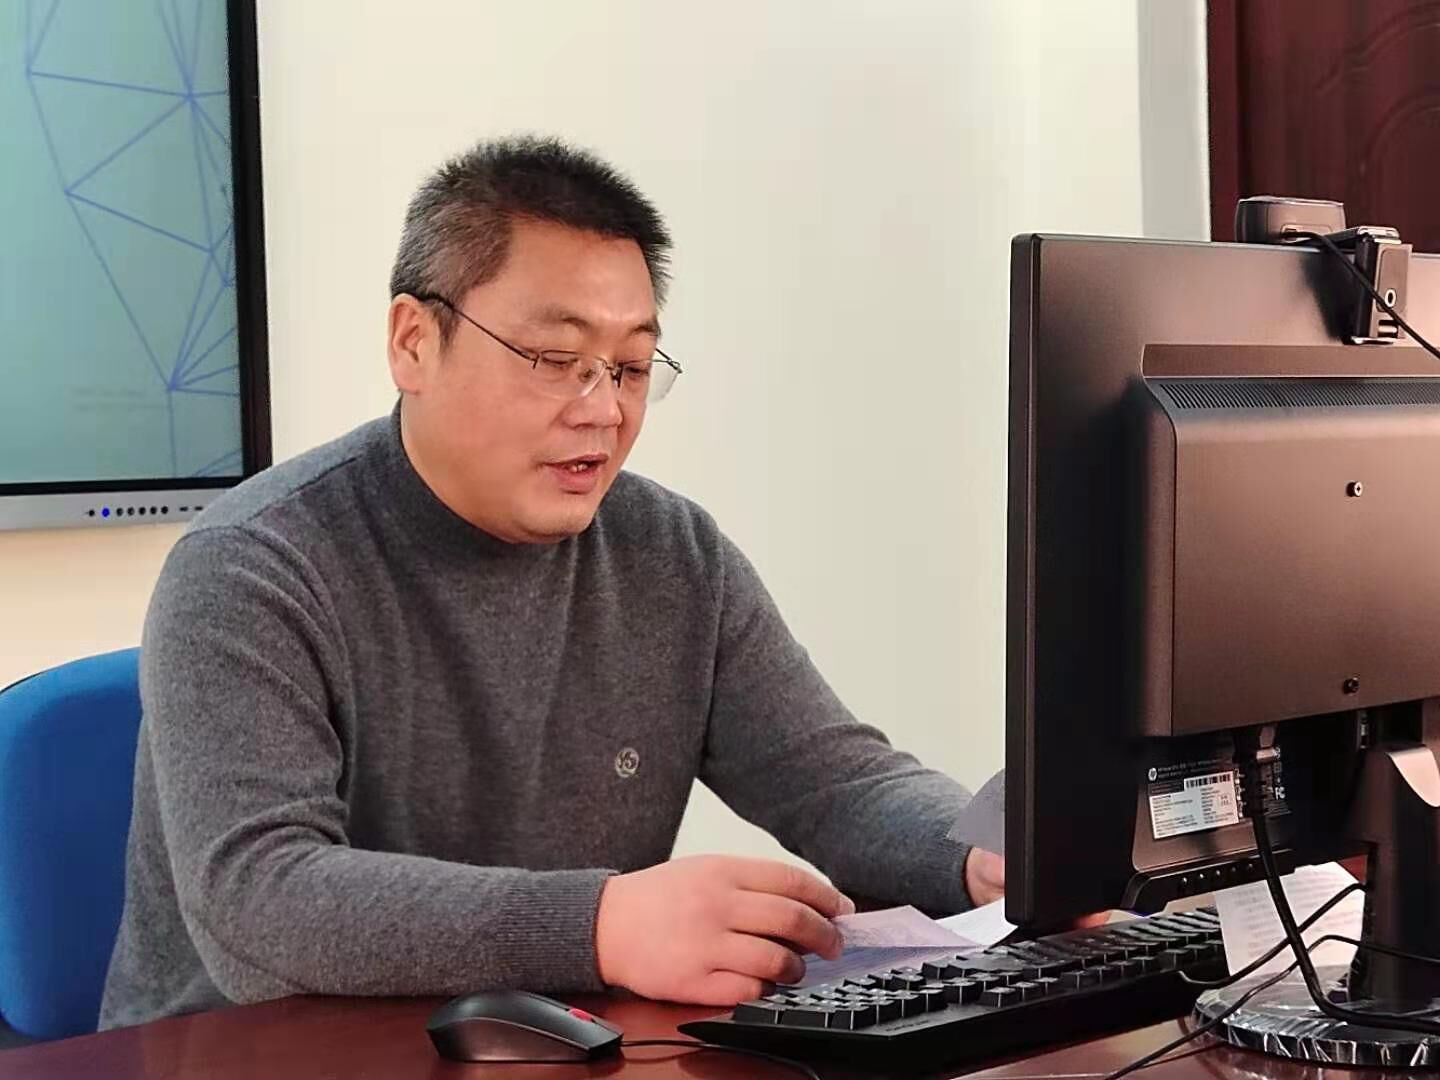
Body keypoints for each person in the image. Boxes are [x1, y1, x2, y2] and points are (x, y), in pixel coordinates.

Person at [98, 135, 1004, 1030]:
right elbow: (260, 896)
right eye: (553, 360)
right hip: (250, 1052)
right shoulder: (251, 566)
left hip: (551, 1043)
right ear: (413, 343)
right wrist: (601, 925)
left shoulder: (673, 555)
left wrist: (985, 852)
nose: (602, 409)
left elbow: (833, 780)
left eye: (632, 368)